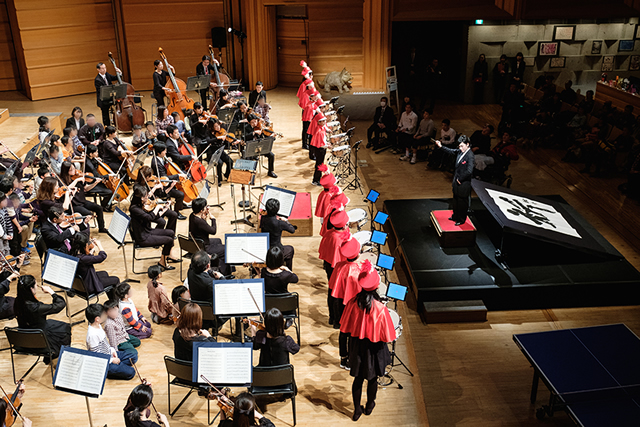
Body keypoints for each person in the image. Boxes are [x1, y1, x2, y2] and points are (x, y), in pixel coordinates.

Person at [340, 261, 396, 421]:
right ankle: (370, 405)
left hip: (357, 347)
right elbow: (388, 336)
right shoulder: (380, 308)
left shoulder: (352, 303)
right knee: (372, 379)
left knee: (358, 379)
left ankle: (356, 410)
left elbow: (344, 329)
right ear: (376, 287)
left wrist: (344, 353)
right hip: (375, 348)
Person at [14, 275, 71, 362]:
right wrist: (51, 292)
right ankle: (58, 356)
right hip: (39, 337)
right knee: (66, 328)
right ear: (31, 289)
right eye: (36, 285)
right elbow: (60, 305)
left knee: (55, 324)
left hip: (24, 337)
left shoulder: (16, 301)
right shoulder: (36, 308)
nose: (37, 287)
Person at [328, 236, 361, 368]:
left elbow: (332, 285)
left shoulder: (339, 266)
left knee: (343, 332)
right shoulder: (357, 271)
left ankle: (343, 358)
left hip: (339, 304)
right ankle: (351, 359)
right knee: (352, 334)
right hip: (353, 306)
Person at [129, 184, 177, 270]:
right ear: (141, 198)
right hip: (143, 237)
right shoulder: (134, 208)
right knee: (169, 240)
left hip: (147, 231)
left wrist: (165, 209)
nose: (148, 197)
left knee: (171, 233)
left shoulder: (141, 205)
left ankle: (166, 256)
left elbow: (153, 217)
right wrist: (157, 208)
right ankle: (162, 261)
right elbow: (149, 218)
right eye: (146, 196)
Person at [85, 303, 138, 380]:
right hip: (103, 362)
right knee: (131, 372)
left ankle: (119, 365)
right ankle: (108, 371)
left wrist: (112, 350)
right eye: (103, 314)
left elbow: (105, 344)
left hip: (108, 354)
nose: (105, 315)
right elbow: (97, 356)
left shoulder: (98, 326)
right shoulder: (92, 335)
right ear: (97, 319)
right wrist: (112, 360)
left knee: (133, 355)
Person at [435, 135, 475, 225]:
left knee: (462, 202)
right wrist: (441, 146)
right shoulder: (460, 151)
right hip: (456, 181)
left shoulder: (470, 156)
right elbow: (450, 151)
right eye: (459, 146)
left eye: (462, 146)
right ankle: (455, 216)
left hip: (463, 183)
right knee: (456, 200)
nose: (460, 148)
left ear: (467, 144)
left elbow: (469, 171)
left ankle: (461, 219)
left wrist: (460, 178)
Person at [60, 160, 107, 232]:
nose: (74, 171)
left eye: (74, 168)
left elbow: (86, 189)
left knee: (99, 208)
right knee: (88, 213)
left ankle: (101, 228)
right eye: (71, 170)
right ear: (66, 171)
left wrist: (95, 183)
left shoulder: (77, 176)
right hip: (72, 204)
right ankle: (84, 231)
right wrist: (76, 181)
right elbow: (66, 189)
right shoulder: (62, 180)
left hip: (82, 201)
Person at [189, 198, 231, 276]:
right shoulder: (199, 222)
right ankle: (224, 274)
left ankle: (221, 268)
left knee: (218, 241)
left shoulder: (192, 215)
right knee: (226, 248)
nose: (207, 207)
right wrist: (213, 219)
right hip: (203, 247)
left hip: (197, 242)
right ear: (201, 210)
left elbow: (203, 228)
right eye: (205, 206)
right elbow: (213, 231)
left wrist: (204, 217)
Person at [150, 142, 186, 217]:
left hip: (165, 183)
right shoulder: (156, 163)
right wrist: (178, 175)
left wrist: (166, 162)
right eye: (164, 151)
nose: (166, 152)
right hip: (162, 187)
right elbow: (164, 178)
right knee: (180, 194)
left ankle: (181, 205)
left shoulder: (159, 158)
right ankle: (176, 213)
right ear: (159, 153)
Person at [260, 199, 296, 270]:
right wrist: (286, 221)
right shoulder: (280, 223)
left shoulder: (263, 219)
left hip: (266, 247)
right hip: (276, 249)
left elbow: (267, 217)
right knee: (290, 249)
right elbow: (292, 230)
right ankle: (288, 270)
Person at [95, 62, 120, 126]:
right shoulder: (97, 80)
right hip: (103, 99)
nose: (104, 69)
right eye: (102, 68)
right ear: (98, 70)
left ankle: (118, 121)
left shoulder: (107, 74)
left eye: (105, 68)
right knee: (105, 114)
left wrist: (119, 73)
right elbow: (102, 91)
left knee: (119, 102)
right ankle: (107, 127)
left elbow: (115, 78)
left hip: (110, 97)